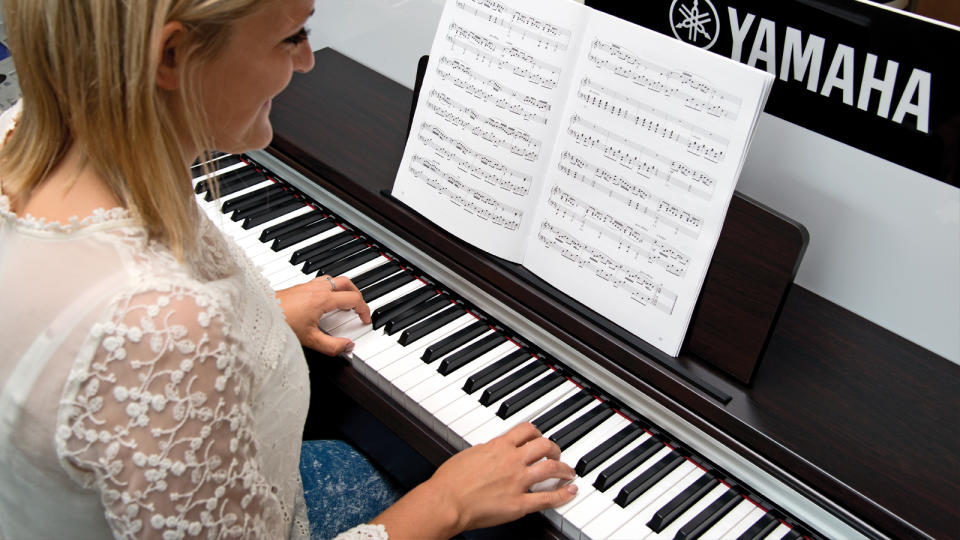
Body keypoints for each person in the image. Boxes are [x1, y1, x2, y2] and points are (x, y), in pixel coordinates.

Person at [0, 0, 578, 538]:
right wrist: (446, 503)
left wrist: (259, 320)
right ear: (172, 56)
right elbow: (140, 343)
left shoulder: (25, 135)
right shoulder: (163, 330)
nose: (307, 63)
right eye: (292, 37)